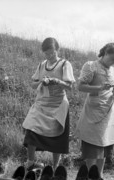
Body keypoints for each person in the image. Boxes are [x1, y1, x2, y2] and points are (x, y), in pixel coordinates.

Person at [22, 37, 75, 170]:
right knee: (31, 129)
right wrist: (41, 82)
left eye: (53, 52)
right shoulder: (41, 65)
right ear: (43, 53)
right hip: (41, 104)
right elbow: (33, 84)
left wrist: (57, 81)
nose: (50, 56)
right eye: (47, 53)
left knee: (57, 136)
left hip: (58, 105)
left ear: (57, 50)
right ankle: (30, 161)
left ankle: (56, 166)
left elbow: (70, 86)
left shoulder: (64, 64)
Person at [75, 42, 114, 177]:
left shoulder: (113, 71)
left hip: (108, 113)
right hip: (93, 111)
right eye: (112, 58)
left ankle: (99, 176)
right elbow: (80, 86)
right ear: (105, 53)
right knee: (92, 146)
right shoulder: (91, 66)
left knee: (104, 144)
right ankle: (91, 176)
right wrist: (99, 88)